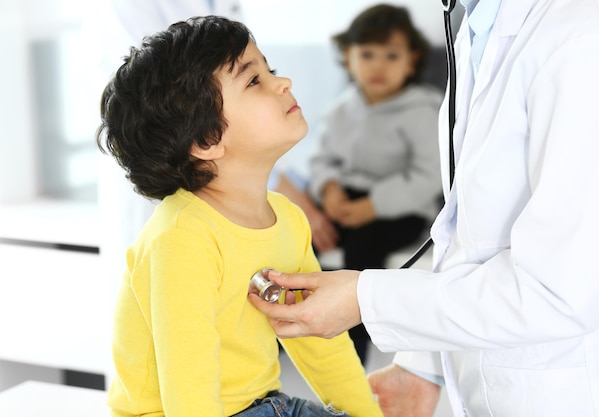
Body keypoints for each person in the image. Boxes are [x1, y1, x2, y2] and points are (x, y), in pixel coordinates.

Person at [249, 0, 599, 416]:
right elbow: (468, 231)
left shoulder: (587, 35)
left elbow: (561, 290)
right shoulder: (477, 27)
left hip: (563, 394)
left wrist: (364, 299)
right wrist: (423, 364)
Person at [96, 16, 384, 417]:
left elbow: (317, 337)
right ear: (207, 140)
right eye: (254, 81)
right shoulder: (182, 239)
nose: (283, 83)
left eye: (272, 71)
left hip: (264, 405)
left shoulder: (287, 218)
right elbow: (188, 388)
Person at [307, 4, 443, 365]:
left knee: (362, 253)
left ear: (411, 61)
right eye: (367, 54)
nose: (378, 66)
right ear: (347, 56)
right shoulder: (341, 110)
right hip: (347, 199)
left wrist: (374, 206)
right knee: (299, 236)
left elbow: (427, 176)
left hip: (400, 210)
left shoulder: (423, 110)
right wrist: (330, 189)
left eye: (391, 55)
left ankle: (354, 354)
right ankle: (298, 337)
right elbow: (323, 161)